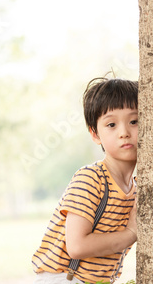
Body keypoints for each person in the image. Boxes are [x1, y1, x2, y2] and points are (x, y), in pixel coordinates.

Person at [32, 77, 138, 284]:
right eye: (111, 124)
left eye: (134, 121)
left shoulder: (136, 188)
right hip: (63, 279)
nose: (124, 133)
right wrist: (131, 233)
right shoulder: (91, 178)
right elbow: (77, 246)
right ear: (95, 134)